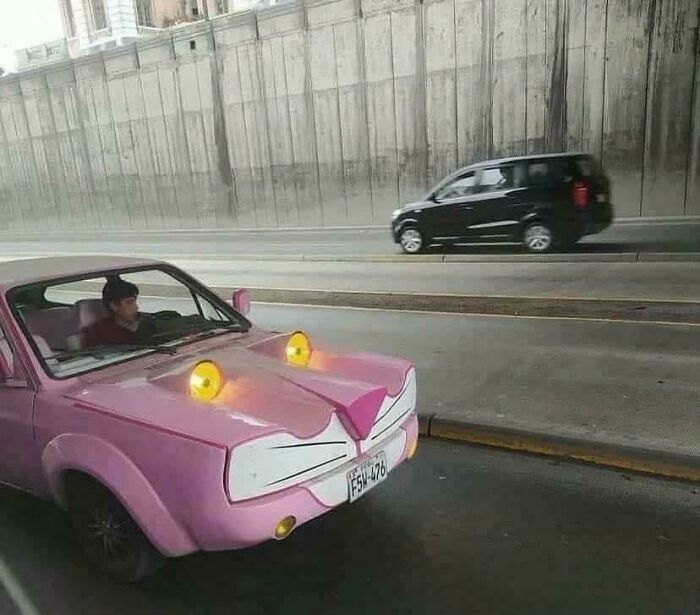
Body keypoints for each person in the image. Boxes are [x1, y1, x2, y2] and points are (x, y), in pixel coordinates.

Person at [81, 276, 152, 348]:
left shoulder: (141, 323)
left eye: (135, 301)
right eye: (129, 302)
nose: (136, 307)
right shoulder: (102, 333)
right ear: (114, 306)